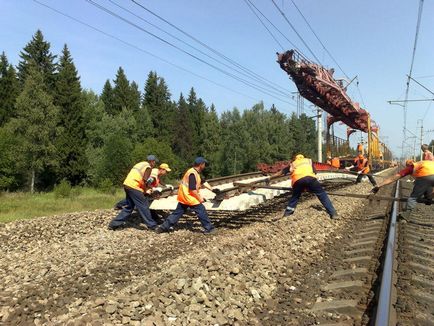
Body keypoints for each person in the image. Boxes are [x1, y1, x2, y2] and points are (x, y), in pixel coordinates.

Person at [156, 157, 217, 234]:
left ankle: (163, 228)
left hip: (184, 196)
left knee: (177, 213)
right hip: (189, 197)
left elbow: (203, 182)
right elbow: (192, 189)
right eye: (204, 164)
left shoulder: (195, 172)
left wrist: (212, 189)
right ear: (201, 164)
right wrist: (200, 198)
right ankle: (209, 229)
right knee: (201, 211)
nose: (205, 166)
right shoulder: (192, 174)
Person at [273, 154, 339, 219]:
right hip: (311, 179)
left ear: (295, 158)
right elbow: (315, 172)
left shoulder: (293, 163)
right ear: (303, 157)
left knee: (295, 197)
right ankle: (333, 213)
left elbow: (281, 172)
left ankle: (287, 214)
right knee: (322, 194)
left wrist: (270, 178)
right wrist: (309, 186)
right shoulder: (308, 161)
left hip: (298, 181)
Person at [108, 155, 160, 231]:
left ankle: (113, 224)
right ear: (152, 161)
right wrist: (146, 190)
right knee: (144, 205)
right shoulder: (148, 167)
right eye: (154, 162)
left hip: (127, 184)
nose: (154, 163)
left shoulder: (141, 164)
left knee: (129, 207)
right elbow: (145, 180)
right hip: (134, 186)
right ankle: (152, 226)